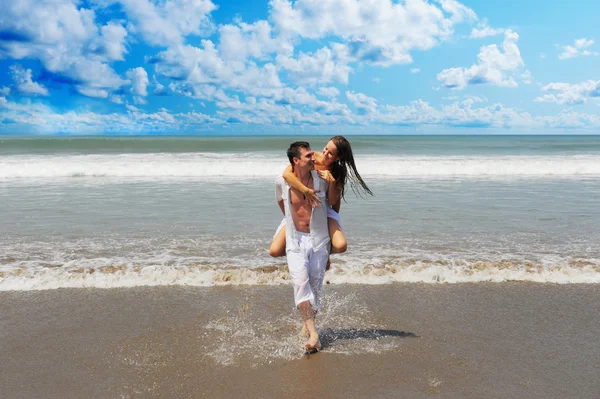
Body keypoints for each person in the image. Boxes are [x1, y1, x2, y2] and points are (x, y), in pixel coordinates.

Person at [270, 136, 373, 259]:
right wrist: (306, 191)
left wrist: (332, 182)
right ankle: (304, 254)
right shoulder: (311, 159)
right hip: (301, 211)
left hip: (325, 208)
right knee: (274, 251)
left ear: (338, 158)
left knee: (341, 245)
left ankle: (322, 253)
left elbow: (334, 201)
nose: (325, 153)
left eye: (330, 154)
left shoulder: (338, 171)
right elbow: (286, 174)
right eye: (325, 148)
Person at [275, 141, 331, 352]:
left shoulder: (321, 180)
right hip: (296, 239)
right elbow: (282, 204)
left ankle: (307, 326)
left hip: (319, 239)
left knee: (315, 287)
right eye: (308, 156)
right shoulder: (282, 182)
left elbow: (331, 208)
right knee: (300, 282)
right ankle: (314, 333)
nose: (313, 158)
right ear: (296, 161)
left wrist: (330, 251)